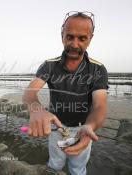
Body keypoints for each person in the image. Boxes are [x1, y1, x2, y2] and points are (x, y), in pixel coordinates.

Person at [22, 11, 108, 175]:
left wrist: (90, 126)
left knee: (78, 169)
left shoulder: (98, 69)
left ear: (90, 38)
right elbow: (29, 93)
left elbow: (100, 105)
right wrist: (37, 109)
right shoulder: (49, 65)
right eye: (70, 37)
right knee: (55, 164)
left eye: (82, 38)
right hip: (56, 128)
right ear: (62, 35)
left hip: (84, 129)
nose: (75, 44)